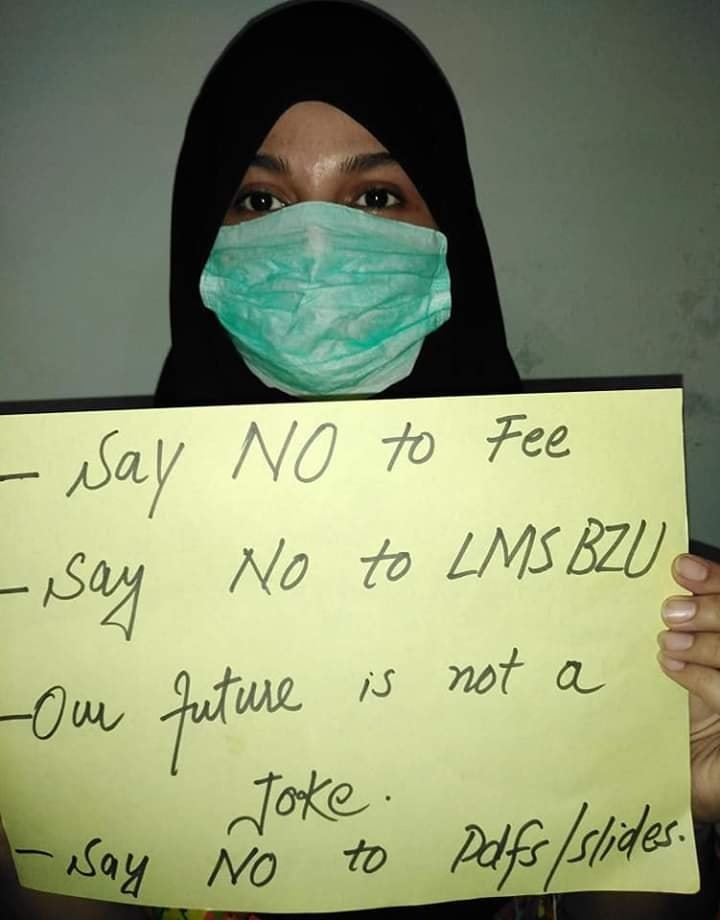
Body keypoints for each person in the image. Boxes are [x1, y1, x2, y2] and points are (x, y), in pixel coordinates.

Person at [2, 2, 719, 918]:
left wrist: (674, 786)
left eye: (375, 197)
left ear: (450, 234)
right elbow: (73, 870)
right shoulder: (84, 569)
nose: (314, 247)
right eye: (261, 200)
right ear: (202, 239)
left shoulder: (593, 560)